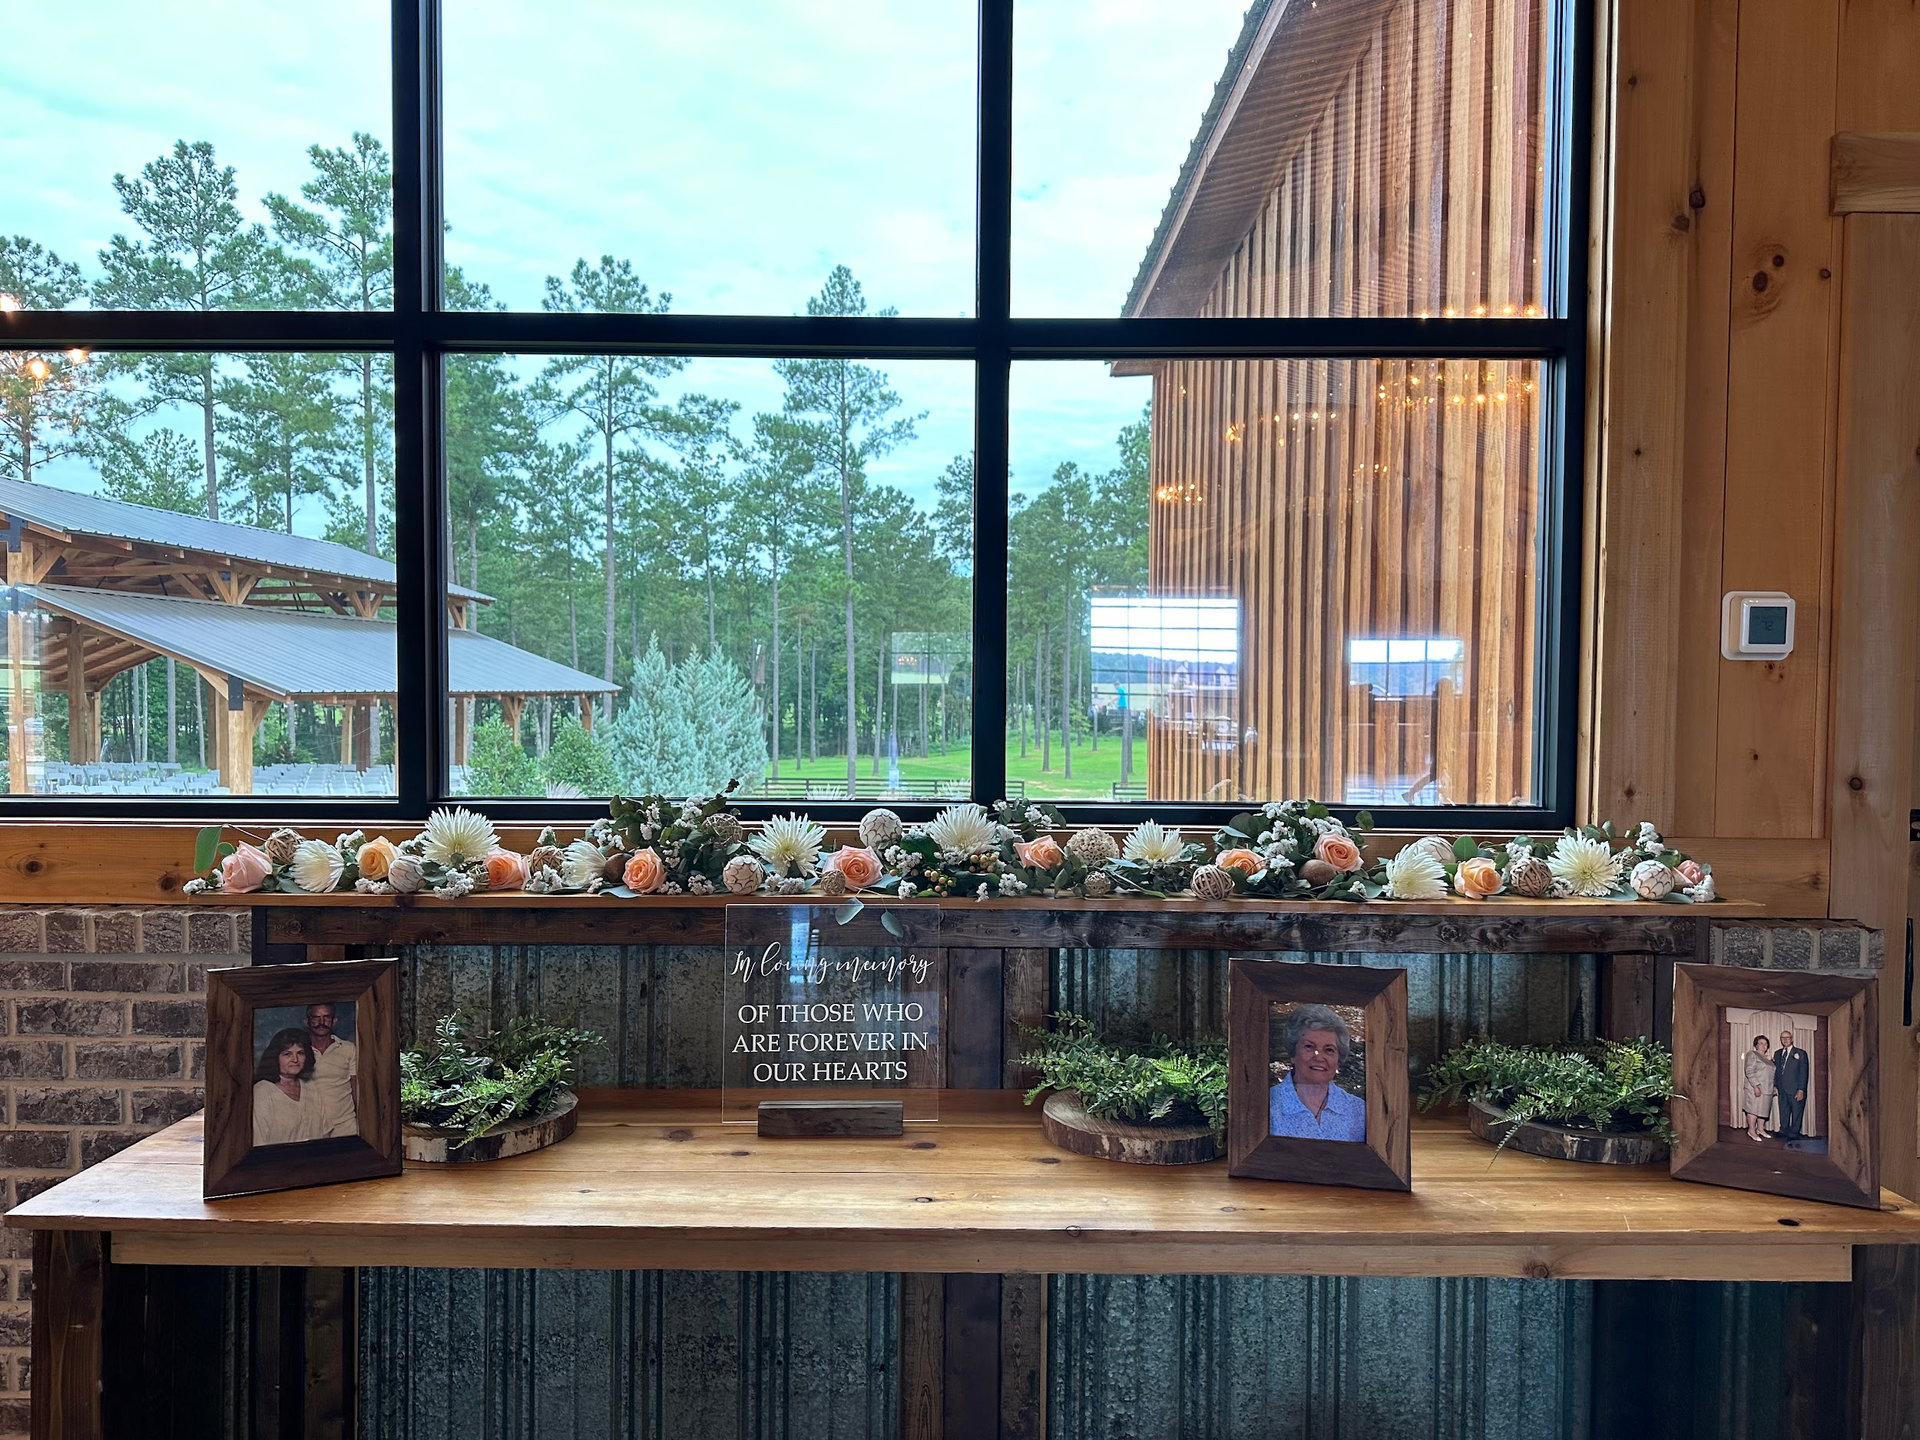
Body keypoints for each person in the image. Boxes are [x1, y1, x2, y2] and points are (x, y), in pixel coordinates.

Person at [1268, 1003, 1366, 1142]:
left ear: (1338, 1059)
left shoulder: (1359, 1110)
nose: (1319, 1057)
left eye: (1329, 1050)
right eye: (1309, 1046)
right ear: (1293, 1053)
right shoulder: (1268, 1104)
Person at [252, 1029, 330, 1146]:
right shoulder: (262, 1091)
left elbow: (325, 1136)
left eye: (300, 1053)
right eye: (287, 1054)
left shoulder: (311, 1087)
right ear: (275, 1057)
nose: (295, 1059)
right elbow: (258, 1143)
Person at [304, 1002, 359, 1139]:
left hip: (345, 1126)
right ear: (307, 1022)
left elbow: (356, 1087)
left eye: (326, 1017)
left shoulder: (348, 1049)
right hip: (310, 1126)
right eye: (316, 1018)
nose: (321, 1022)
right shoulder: (299, 1052)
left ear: (334, 1021)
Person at [1773, 1028, 1810, 1144]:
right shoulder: (1777, 1053)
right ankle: (1784, 1130)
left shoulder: (1800, 1053)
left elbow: (1804, 1072)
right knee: (1783, 1111)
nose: (1785, 1040)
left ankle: (1794, 1133)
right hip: (1782, 1089)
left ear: (1792, 1039)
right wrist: (1775, 1086)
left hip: (1795, 1090)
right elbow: (1777, 1071)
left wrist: (1801, 1089)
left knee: (1796, 1112)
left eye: (1787, 1037)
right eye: (1783, 1038)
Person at [1741, 1033, 1775, 1141]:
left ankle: (1760, 1129)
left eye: (1765, 1044)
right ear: (1756, 1045)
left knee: (1763, 1111)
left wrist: (1773, 1087)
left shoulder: (1768, 1059)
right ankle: (1751, 1131)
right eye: (1761, 1043)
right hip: (1755, 1088)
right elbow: (1749, 1071)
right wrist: (1755, 1086)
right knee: (1753, 1110)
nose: (1763, 1045)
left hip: (1767, 1089)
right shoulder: (1752, 1054)